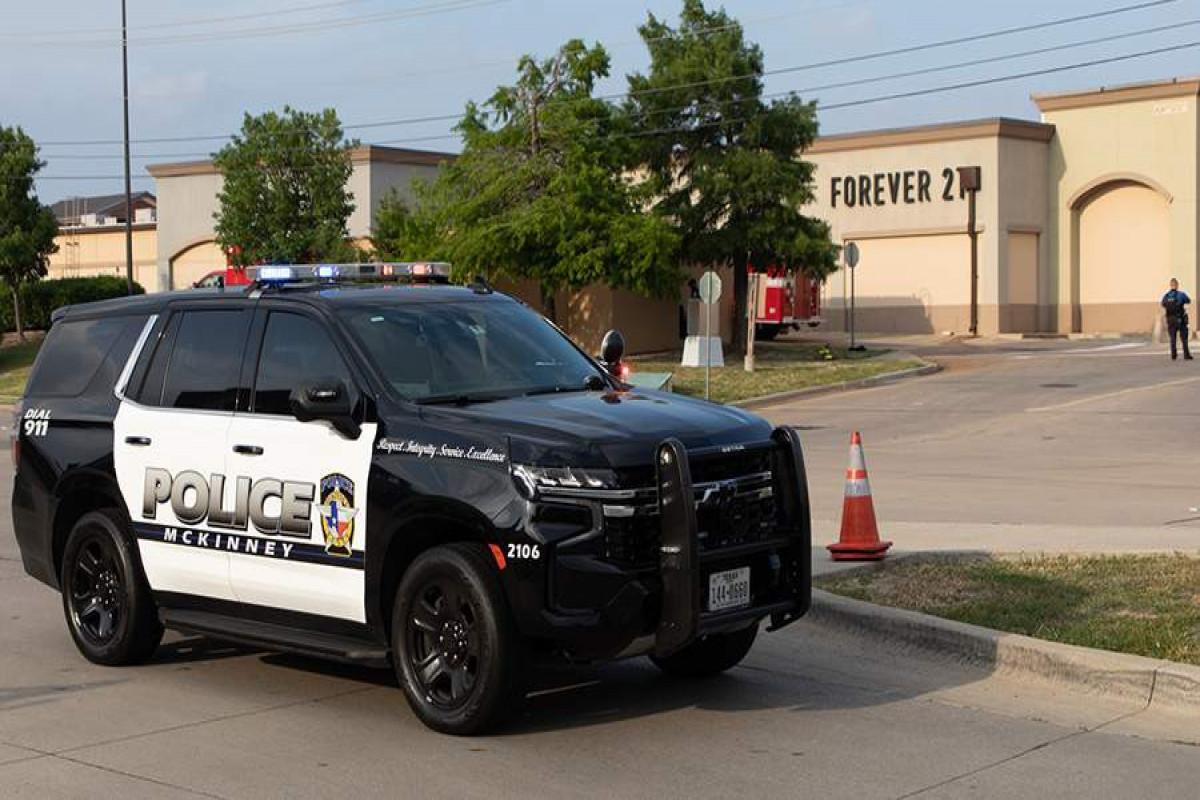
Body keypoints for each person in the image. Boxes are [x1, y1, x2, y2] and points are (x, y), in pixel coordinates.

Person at [1161, 278, 1193, 361]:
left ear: (1170, 285)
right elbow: (1188, 301)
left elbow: (1163, 304)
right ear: (1177, 285)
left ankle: (1173, 355)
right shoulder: (1181, 294)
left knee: (1172, 338)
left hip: (1170, 319)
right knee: (1184, 338)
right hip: (1180, 318)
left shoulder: (1166, 296)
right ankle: (1186, 355)